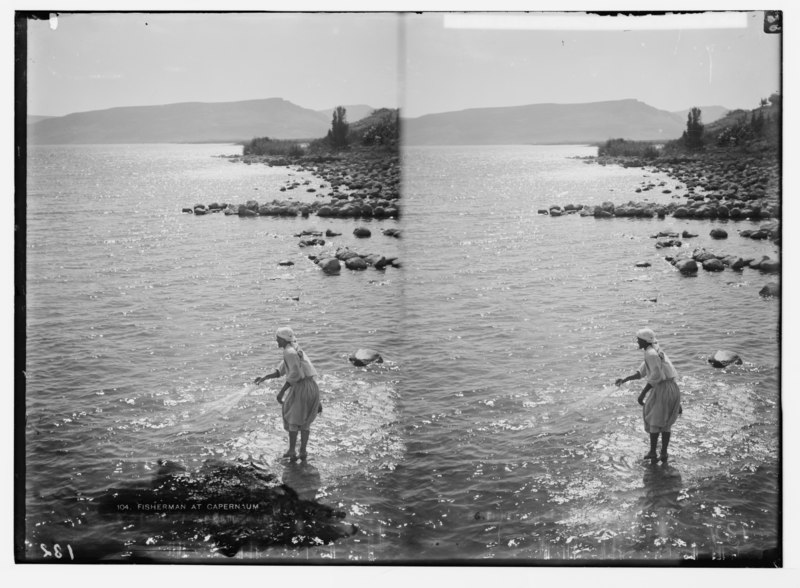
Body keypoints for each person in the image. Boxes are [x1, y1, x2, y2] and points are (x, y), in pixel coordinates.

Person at [254, 327, 322, 460]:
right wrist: (264, 377)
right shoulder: (294, 349)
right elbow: (283, 369)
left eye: (278, 338)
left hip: (301, 388)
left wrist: (281, 392)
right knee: (305, 422)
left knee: (293, 419)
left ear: (283, 339)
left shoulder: (289, 352)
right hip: (311, 387)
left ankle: (292, 451)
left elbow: (295, 374)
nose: (276, 340)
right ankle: (302, 452)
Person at [615, 328, 682, 462]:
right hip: (671, 388)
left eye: (638, 339)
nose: (637, 341)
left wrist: (643, 394)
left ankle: (653, 452)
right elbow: (642, 372)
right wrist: (625, 379)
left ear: (645, 341)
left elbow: (656, 376)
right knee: (665, 423)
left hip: (663, 389)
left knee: (654, 420)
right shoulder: (654, 351)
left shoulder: (651, 354)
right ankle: (663, 453)